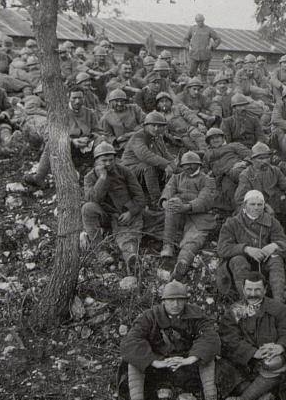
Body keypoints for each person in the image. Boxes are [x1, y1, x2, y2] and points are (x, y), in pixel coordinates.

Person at [119, 281, 222, 400]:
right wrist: (155, 362)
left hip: (187, 368)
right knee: (135, 359)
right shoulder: (150, 316)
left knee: (207, 356)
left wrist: (189, 359)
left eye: (180, 300)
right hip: (159, 368)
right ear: (163, 301)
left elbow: (210, 338)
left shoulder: (196, 314)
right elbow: (131, 341)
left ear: (185, 301)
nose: (175, 304)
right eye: (171, 300)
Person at [218, 273, 286, 400]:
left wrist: (280, 347)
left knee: (274, 362)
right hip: (245, 363)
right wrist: (252, 352)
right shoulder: (234, 311)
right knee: (223, 370)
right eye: (249, 289)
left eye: (257, 289)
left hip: (270, 361)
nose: (253, 294)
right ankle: (263, 395)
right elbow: (228, 338)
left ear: (265, 289)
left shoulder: (278, 309)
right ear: (243, 289)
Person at [81, 142, 145, 270]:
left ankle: (131, 259)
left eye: (111, 160)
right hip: (104, 216)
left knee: (127, 236)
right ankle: (100, 251)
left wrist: (131, 212)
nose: (108, 163)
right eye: (104, 161)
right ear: (96, 161)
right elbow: (92, 199)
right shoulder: (89, 177)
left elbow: (140, 197)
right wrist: (102, 178)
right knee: (87, 208)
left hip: (123, 214)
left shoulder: (124, 171)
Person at [217, 190, 286, 301]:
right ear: (245, 205)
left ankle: (278, 302)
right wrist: (246, 249)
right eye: (252, 204)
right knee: (238, 260)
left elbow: (285, 245)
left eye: (260, 204)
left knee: (276, 259)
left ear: (264, 206)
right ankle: (247, 302)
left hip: (264, 265)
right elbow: (222, 248)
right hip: (240, 268)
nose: (256, 208)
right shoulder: (232, 223)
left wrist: (274, 246)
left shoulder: (272, 222)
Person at [158, 152, 217, 280]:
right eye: (185, 164)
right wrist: (165, 202)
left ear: (199, 164)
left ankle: (183, 262)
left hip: (199, 216)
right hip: (178, 216)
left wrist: (187, 206)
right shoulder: (176, 177)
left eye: (192, 164)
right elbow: (169, 189)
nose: (188, 167)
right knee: (172, 205)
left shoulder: (207, 180)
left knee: (194, 239)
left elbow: (205, 199)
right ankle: (167, 245)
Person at [120, 111, 176, 206]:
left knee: (176, 168)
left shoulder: (158, 137)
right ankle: (156, 201)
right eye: (153, 125)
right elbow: (146, 156)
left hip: (145, 172)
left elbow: (165, 153)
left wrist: (173, 165)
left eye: (159, 126)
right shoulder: (138, 136)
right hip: (130, 171)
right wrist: (166, 165)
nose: (156, 128)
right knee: (149, 166)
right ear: (145, 125)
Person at [183, 14, 221, 78]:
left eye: (201, 21)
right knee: (191, 73)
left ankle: (203, 83)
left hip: (205, 55)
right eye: (198, 21)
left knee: (203, 74)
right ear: (196, 21)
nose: (200, 22)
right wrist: (188, 46)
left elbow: (218, 39)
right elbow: (185, 39)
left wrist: (212, 46)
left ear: (203, 20)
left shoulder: (208, 29)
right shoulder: (192, 29)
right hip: (193, 54)